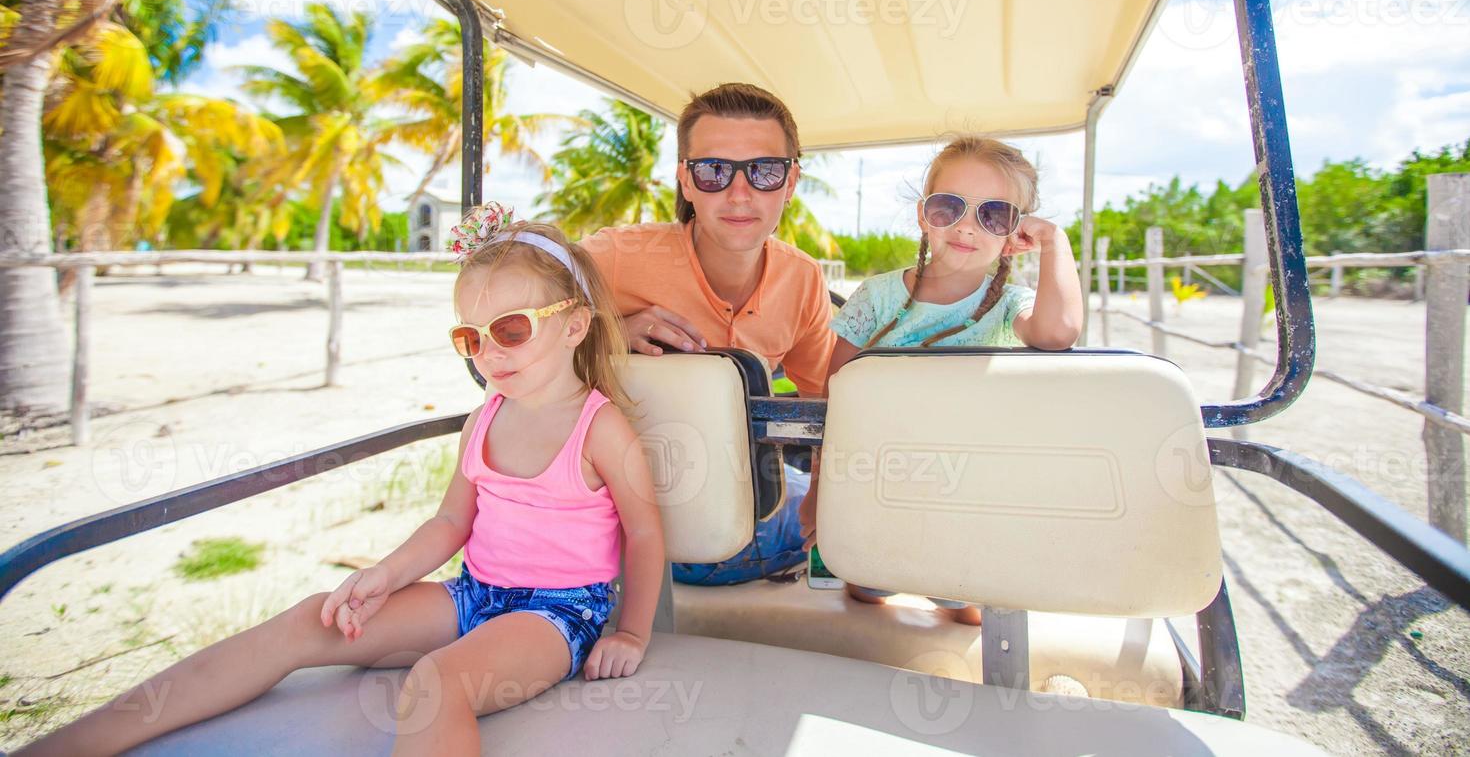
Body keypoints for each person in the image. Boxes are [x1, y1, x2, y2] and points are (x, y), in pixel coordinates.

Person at [20, 204, 665, 756]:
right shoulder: (485, 418)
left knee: (437, 683)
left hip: (557, 616)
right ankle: (77, 741)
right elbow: (450, 523)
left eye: (511, 330)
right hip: (473, 596)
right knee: (309, 621)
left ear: (574, 325)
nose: (490, 353)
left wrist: (631, 632)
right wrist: (383, 577)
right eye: (471, 338)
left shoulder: (598, 428)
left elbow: (643, 533)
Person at [797, 135, 1083, 624]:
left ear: (1016, 233)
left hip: (970, 500)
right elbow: (835, 406)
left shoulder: (1011, 306)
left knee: (967, 612)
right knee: (867, 595)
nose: (967, 227)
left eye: (993, 215)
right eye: (949, 207)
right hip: (879, 490)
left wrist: (1055, 241)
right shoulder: (877, 297)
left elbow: (1058, 332)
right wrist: (820, 493)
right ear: (923, 215)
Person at [580, 83, 835, 584]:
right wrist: (606, 332)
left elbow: (828, 404)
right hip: (620, 540)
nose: (739, 194)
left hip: (750, 520)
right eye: (714, 171)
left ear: (791, 182)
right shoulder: (612, 258)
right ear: (686, 181)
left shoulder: (803, 279)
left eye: (763, 172)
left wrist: (827, 504)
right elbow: (502, 322)